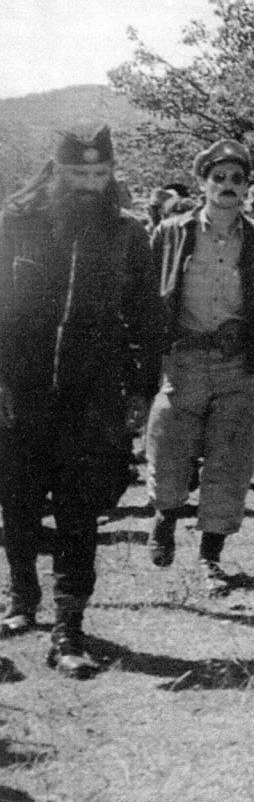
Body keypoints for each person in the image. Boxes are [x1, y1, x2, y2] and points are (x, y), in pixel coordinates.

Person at [0, 127, 165, 677]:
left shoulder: (127, 234)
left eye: (101, 175)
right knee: (17, 503)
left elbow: (147, 318)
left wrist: (141, 390)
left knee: (78, 511)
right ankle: (23, 598)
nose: (92, 186)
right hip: (18, 392)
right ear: (57, 172)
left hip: (90, 396)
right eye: (79, 175)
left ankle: (69, 628)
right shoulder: (15, 225)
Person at [147, 139, 254, 597]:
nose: (228, 186)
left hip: (236, 365)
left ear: (247, 188)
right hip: (182, 360)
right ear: (202, 184)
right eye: (219, 178)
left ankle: (211, 558)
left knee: (230, 463)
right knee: (169, 452)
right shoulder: (172, 232)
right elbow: (150, 297)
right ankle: (165, 516)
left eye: (237, 179)